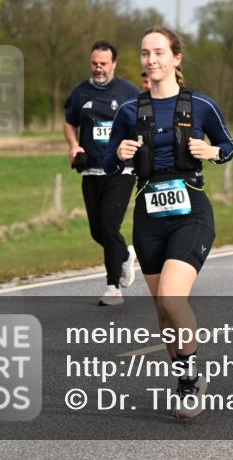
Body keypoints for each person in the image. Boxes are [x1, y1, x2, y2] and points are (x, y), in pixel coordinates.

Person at [104, 25, 233, 418]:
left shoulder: (202, 106)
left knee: (171, 299)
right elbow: (110, 163)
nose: (151, 60)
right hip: (148, 215)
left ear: (176, 58)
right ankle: (182, 379)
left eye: (160, 52)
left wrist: (211, 150)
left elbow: (228, 148)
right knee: (163, 313)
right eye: (145, 53)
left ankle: (194, 376)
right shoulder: (130, 111)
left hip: (191, 211)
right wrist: (122, 153)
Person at [64, 41, 141, 306]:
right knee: (97, 232)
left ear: (114, 64)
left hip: (121, 171)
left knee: (109, 226)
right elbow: (69, 122)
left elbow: (141, 128)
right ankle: (123, 254)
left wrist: (133, 149)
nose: (98, 68)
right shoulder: (80, 93)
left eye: (103, 64)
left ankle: (113, 287)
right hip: (91, 170)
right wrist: (74, 145)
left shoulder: (129, 92)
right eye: (95, 63)